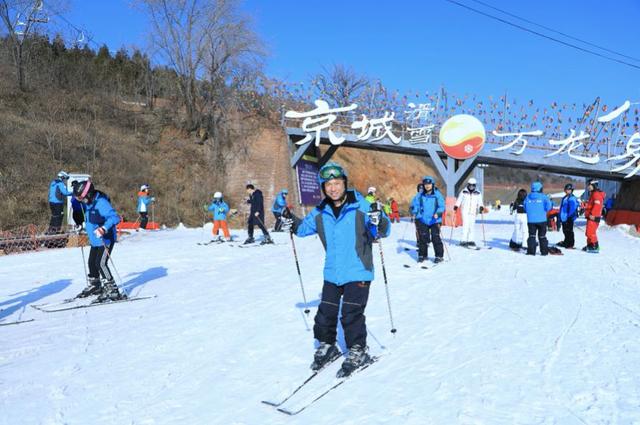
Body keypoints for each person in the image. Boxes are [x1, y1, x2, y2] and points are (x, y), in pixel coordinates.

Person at [282, 162, 390, 378]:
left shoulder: (361, 205)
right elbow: (303, 229)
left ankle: (358, 349)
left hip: (358, 268)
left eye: (337, 183)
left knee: (351, 313)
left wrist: (379, 222)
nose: (333, 188)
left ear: (344, 183)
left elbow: (382, 228)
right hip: (332, 271)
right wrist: (290, 221)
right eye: (328, 184)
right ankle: (328, 345)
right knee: (325, 313)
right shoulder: (321, 211)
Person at [73, 179, 124, 302]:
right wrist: (81, 224)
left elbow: (115, 217)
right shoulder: (89, 202)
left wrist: (104, 228)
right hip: (95, 240)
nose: (81, 201)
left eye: (82, 198)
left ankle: (112, 290)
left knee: (101, 264)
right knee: (92, 263)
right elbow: (90, 218)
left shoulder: (101, 202)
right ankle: (96, 286)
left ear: (89, 194)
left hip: (105, 239)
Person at [415, 176, 445, 263]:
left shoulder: (437, 195)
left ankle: (439, 256)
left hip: (434, 220)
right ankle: (422, 255)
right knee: (423, 237)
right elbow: (416, 205)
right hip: (424, 219)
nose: (427, 186)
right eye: (425, 184)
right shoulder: (420, 195)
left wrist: (438, 213)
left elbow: (442, 206)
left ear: (432, 184)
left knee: (435, 237)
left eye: (429, 184)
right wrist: (417, 213)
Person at [453, 177, 484, 247]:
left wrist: (481, 207)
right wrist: (456, 205)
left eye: (473, 185)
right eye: (470, 185)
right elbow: (459, 200)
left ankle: (471, 240)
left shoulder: (478, 193)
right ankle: (463, 240)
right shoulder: (464, 192)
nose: (471, 186)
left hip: (473, 211)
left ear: (475, 185)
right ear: (468, 185)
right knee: (466, 225)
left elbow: (480, 202)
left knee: (472, 226)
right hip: (465, 211)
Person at [524, 181, 552, 256]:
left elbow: (525, 207)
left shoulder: (528, 197)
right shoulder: (543, 197)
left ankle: (531, 252)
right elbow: (549, 206)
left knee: (532, 236)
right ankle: (544, 252)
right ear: (540, 188)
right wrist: (544, 210)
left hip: (531, 220)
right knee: (542, 236)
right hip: (542, 219)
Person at [583, 179, 606, 253]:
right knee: (589, 232)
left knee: (590, 232)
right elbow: (591, 204)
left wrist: (592, 215)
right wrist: (585, 205)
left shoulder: (596, 194)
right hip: (590, 216)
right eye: (588, 185)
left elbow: (597, 205)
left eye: (589, 185)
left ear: (594, 185)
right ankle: (590, 245)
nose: (588, 187)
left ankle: (595, 246)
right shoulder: (593, 193)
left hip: (593, 217)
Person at [557, 183, 579, 249]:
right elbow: (562, 207)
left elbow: (573, 208)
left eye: (569, 190)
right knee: (565, 231)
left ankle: (570, 244)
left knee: (569, 231)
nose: (567, 191)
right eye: (566, 190)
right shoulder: (565, 198)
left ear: (571, 190)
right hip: (564, 217)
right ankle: (566, 242)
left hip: (569, 217)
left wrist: (570, 216)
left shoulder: (572, 198)